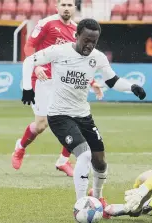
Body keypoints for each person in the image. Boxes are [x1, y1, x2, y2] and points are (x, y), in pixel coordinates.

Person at [20, 18, 147, 219]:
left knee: (100, 161)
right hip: (59, 115)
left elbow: (112, 80)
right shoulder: (59, 51)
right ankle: (81, 204)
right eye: (86, 40)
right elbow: (29, 61)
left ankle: (97, 198)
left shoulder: (97, 57)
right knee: (85, 155)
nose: (90, 45)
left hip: (83, 115)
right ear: (77, 35)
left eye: (94, 41)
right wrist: (28, 88)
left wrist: (132, 87)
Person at [11, 0, 103, 176]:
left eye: (70, 5)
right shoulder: (46, 24)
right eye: (63, 4)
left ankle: (63, 161)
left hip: (63, 81)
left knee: (73, 119)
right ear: (57, 7)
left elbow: (80, 61)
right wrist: (36, 67)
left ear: (75, 8)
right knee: (41, 125)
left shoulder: (78, 31)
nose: (66, 8)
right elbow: (29, 46)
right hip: (41, 79)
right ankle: (20, 147)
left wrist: (92, 82)